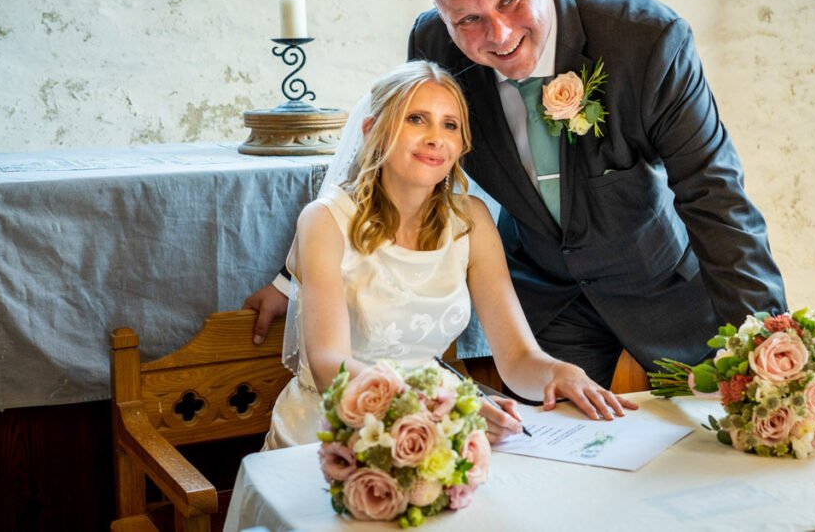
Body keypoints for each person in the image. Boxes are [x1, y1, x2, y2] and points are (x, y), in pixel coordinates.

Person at [247, 0, 787, 391]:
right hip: (545, 297)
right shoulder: (435, 43)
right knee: (556, 459)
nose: (499, 35)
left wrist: (776, 346)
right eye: (468, 20)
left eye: (510, 0)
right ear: (442, 17)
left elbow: (715, 195)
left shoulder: (646, 43)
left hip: (656, 285)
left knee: (704, 452)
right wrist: (290, 280)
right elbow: (387, 166)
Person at [263, 60, 636, 450]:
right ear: (372, 131)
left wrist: (558, 373)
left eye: (450, 125)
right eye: (416, 119)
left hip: (441, 425)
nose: (435, 138)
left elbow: (517, 357)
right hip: (336, 425)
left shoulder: (471, 220)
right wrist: (444, 408)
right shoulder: (325, 220)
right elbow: (329, 366)